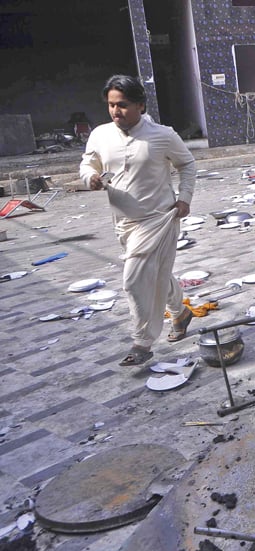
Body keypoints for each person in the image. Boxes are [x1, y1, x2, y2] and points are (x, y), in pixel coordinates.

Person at [79, 75, 197, 367]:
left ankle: (142, 342)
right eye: (111, 105)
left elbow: (187, 164)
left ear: (140, 106)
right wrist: (90, 178)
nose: (115, 111)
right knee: (156, 275)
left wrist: (185, 198)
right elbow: (88, 163)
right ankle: (180, 313)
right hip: (123, 222)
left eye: (122, 105)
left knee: (133, 280)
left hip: (159, 219)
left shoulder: (163, 135)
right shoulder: (101, 135)